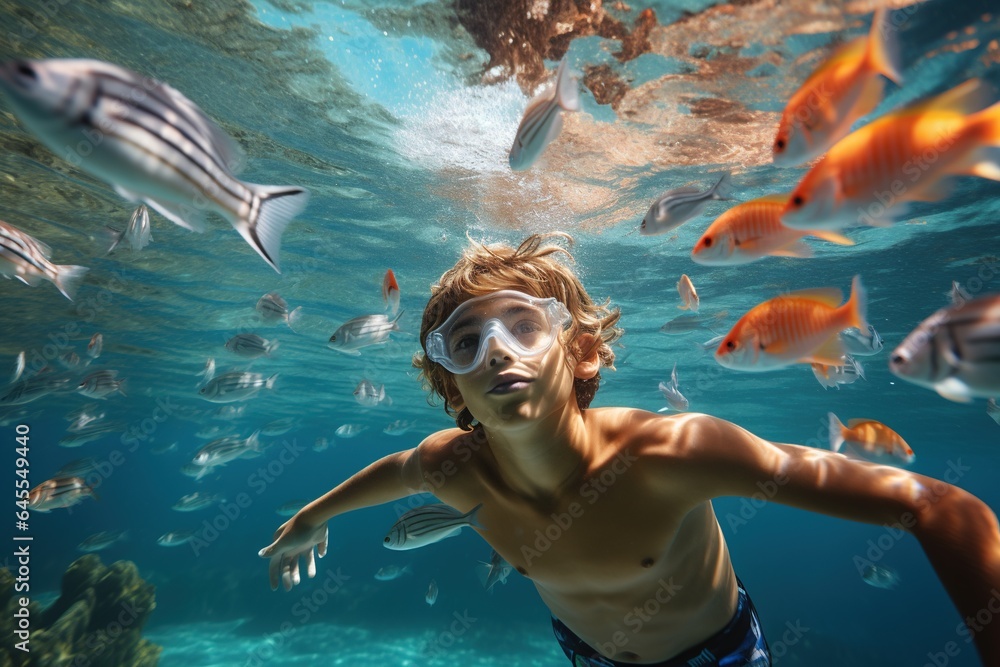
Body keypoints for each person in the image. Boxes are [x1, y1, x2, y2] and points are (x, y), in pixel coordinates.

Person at [259, 233, 1000, 666]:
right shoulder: (451, 465)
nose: (495, 351)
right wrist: (311, 517)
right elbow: (391, 474)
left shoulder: (674, 452)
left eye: (523, 325)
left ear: (581, 354)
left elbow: (936, 505)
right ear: (452, 389)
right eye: (464, 342)